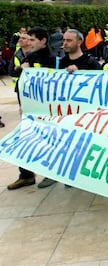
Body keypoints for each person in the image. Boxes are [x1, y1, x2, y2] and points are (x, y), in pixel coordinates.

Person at [7, 26, 56, 190]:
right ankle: (26, 175)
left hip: (48, 110)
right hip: (30, 109)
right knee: (26, 139)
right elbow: (19, 77)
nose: (29, 42)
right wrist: (22, 70)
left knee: (50, 140)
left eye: (33, 39)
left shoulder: (53, 59)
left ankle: (53, 172)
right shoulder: (30, 57)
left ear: (43, 41)